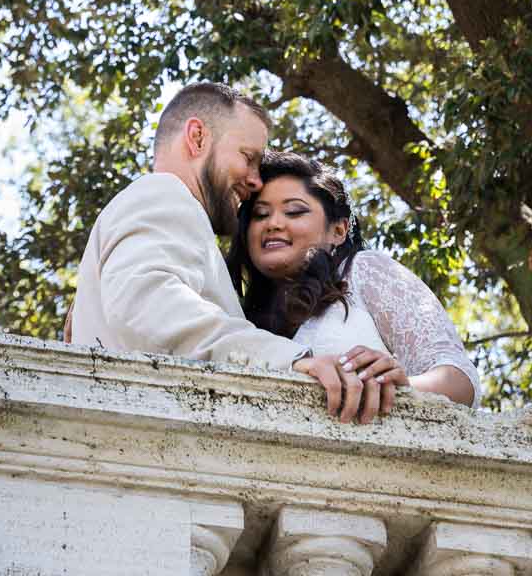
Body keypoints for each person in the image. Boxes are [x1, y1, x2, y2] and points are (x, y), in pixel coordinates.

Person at [69, 82, 374, 423]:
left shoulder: (156, 223)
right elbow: (147, 306)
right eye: (249, 158)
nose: (256, 181)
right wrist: (291, 360)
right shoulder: (163, 193)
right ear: (197, 137)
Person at [226, 151, 481, 410]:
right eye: (260, 214)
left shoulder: (364, 270)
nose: (274, 223)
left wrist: (402, 389)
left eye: (294, 211)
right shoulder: (235, 317)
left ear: (338, 231)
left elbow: (461, 380)